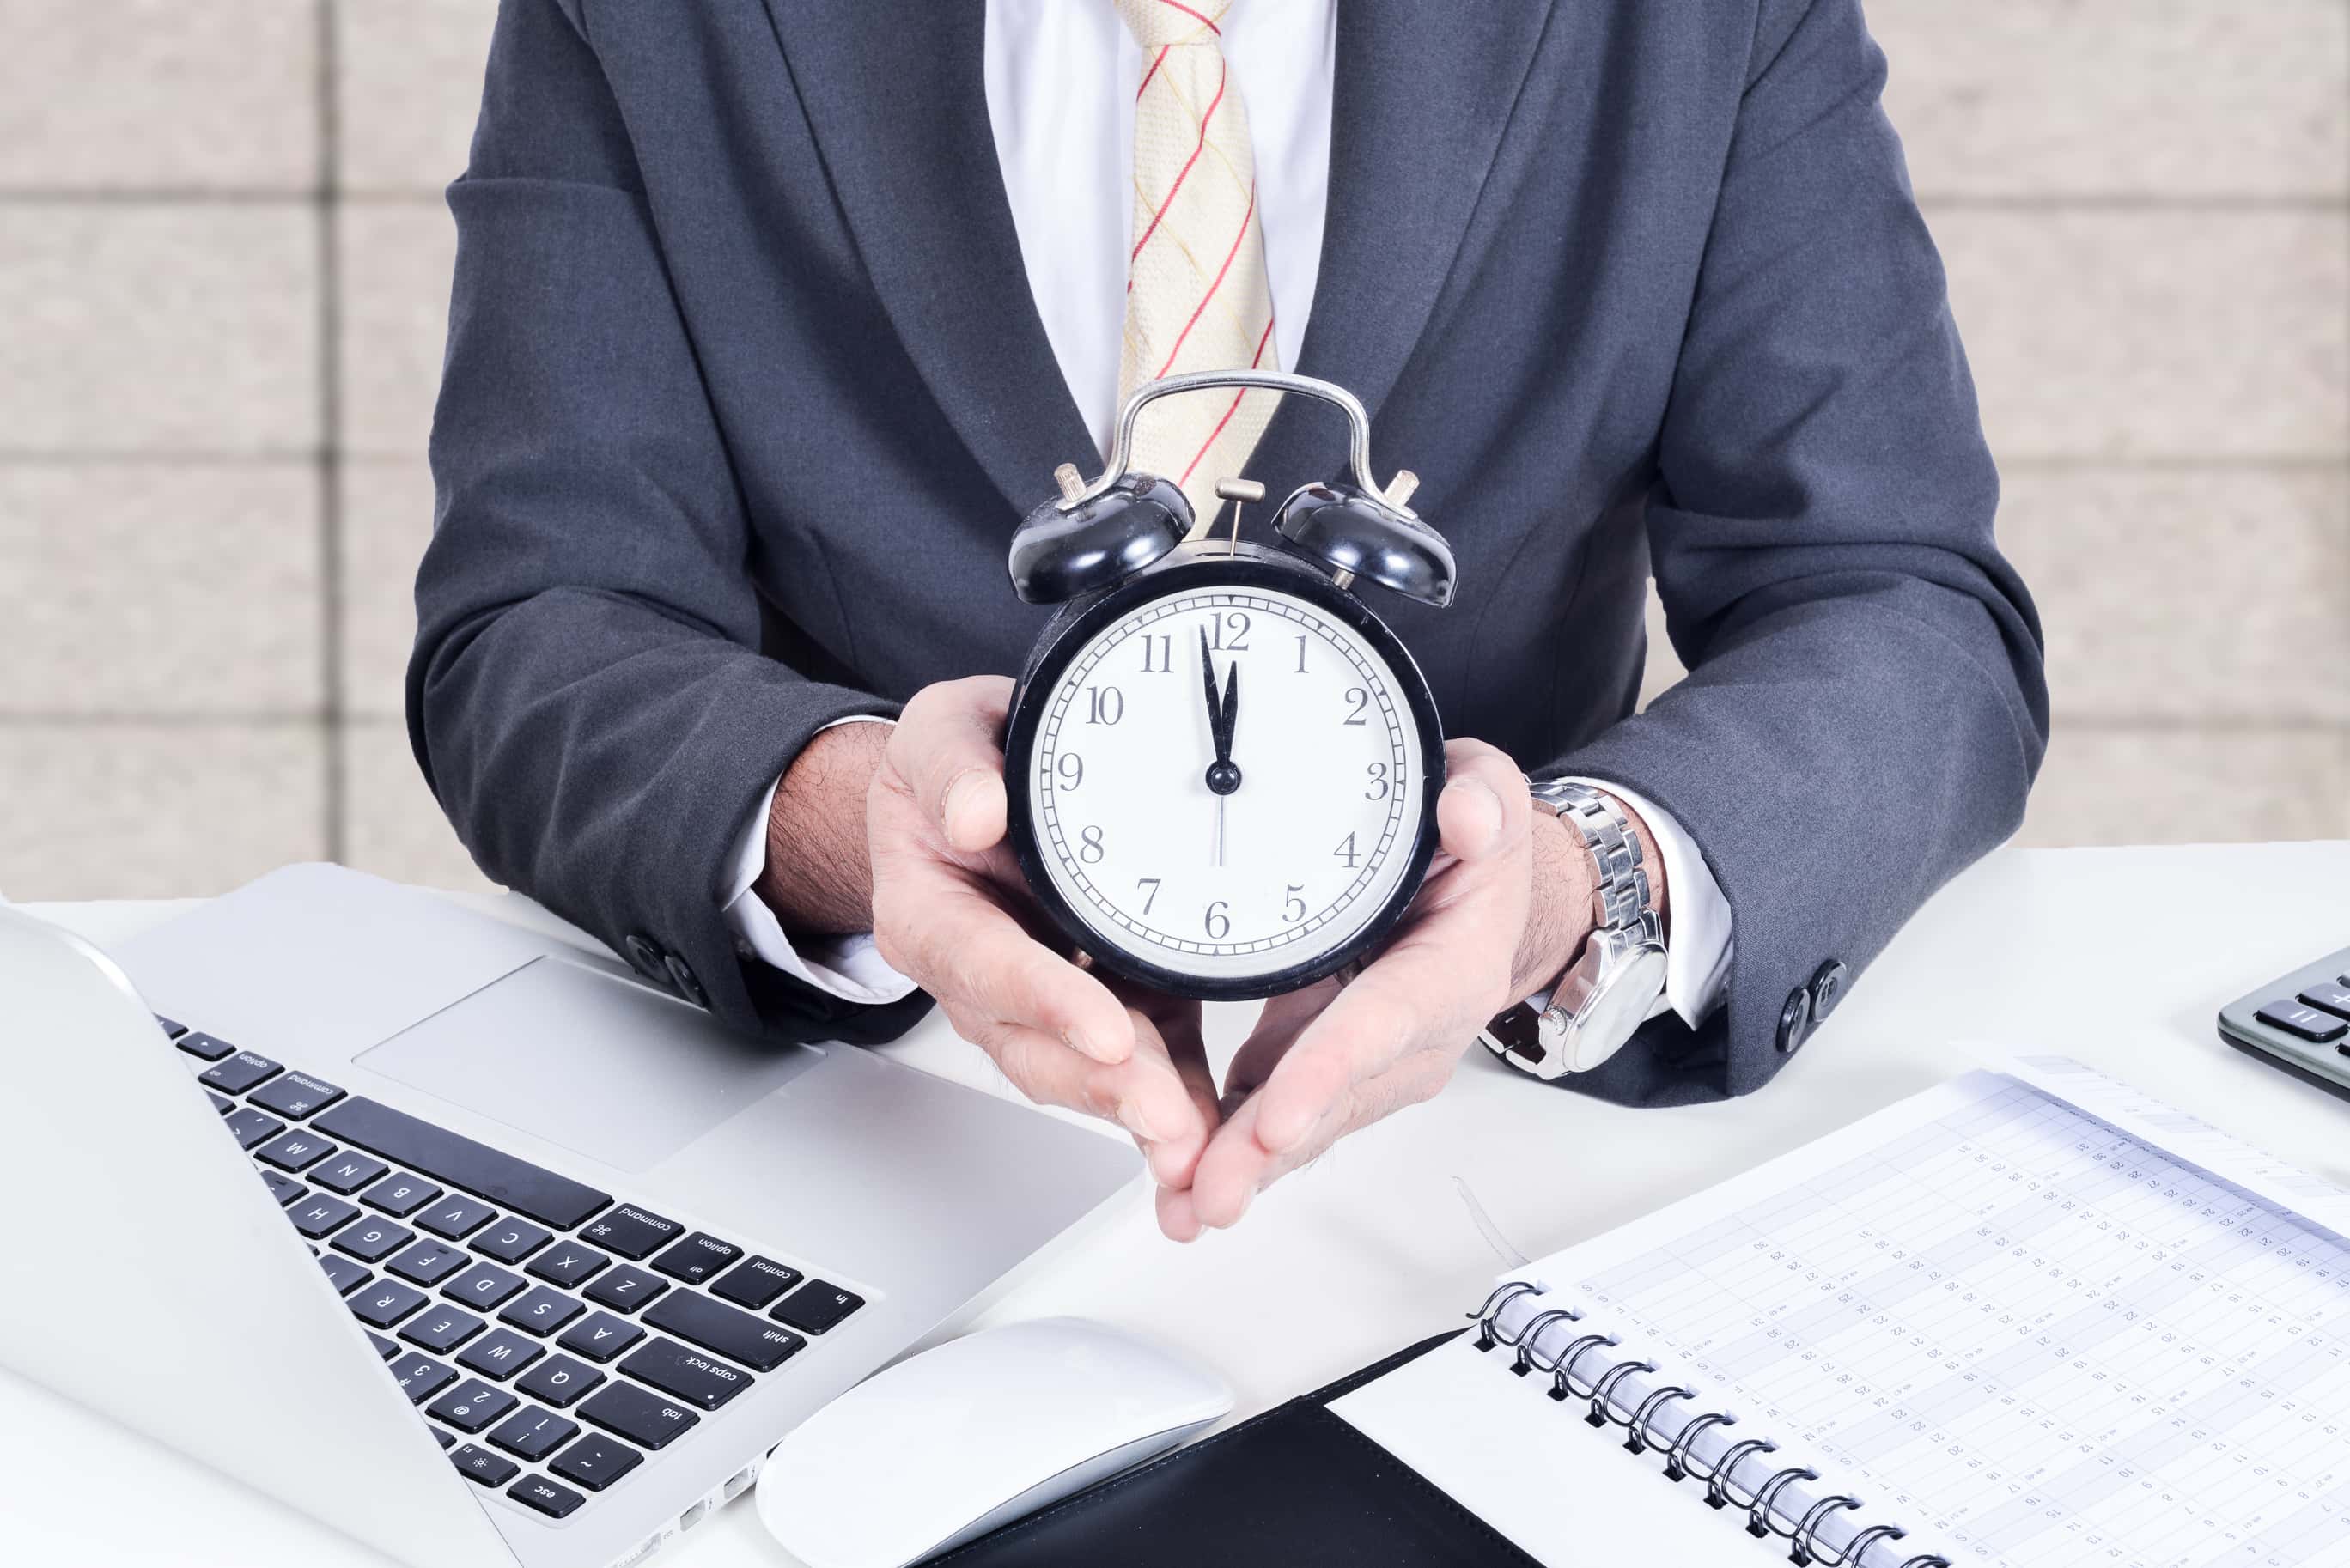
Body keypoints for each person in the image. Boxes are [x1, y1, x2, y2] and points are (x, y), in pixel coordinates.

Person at [411, 0, 2048, 1242]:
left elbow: (1900, 596)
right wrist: (854, 836)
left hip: (1508, 1145)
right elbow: (539, 614)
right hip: (879, 1146)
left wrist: (1568, 890)